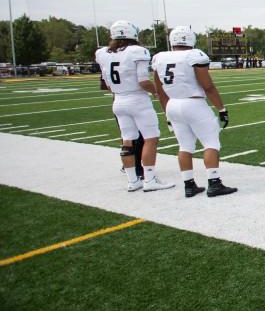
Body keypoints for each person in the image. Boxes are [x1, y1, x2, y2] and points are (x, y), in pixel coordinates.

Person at [152, 26, 237, 198]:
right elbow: (208, 86)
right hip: (193, 103)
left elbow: (159, 90)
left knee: (185, 146)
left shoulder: (160, 58)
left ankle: (189, 185)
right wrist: (221, 108)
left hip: (173, 105)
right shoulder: (193, 55)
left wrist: (166, 114)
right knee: (211, 143)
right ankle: (214, 183)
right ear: (191, 39)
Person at [95, 20, 174, 192]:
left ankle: (132, 180)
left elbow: (108, 84)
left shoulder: (102, 53)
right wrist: (156, 92)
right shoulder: (137, 51)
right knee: (151, 138)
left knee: (127, 140)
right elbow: (143, 81)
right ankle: (150, 179)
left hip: (118, 100)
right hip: (137, 100)